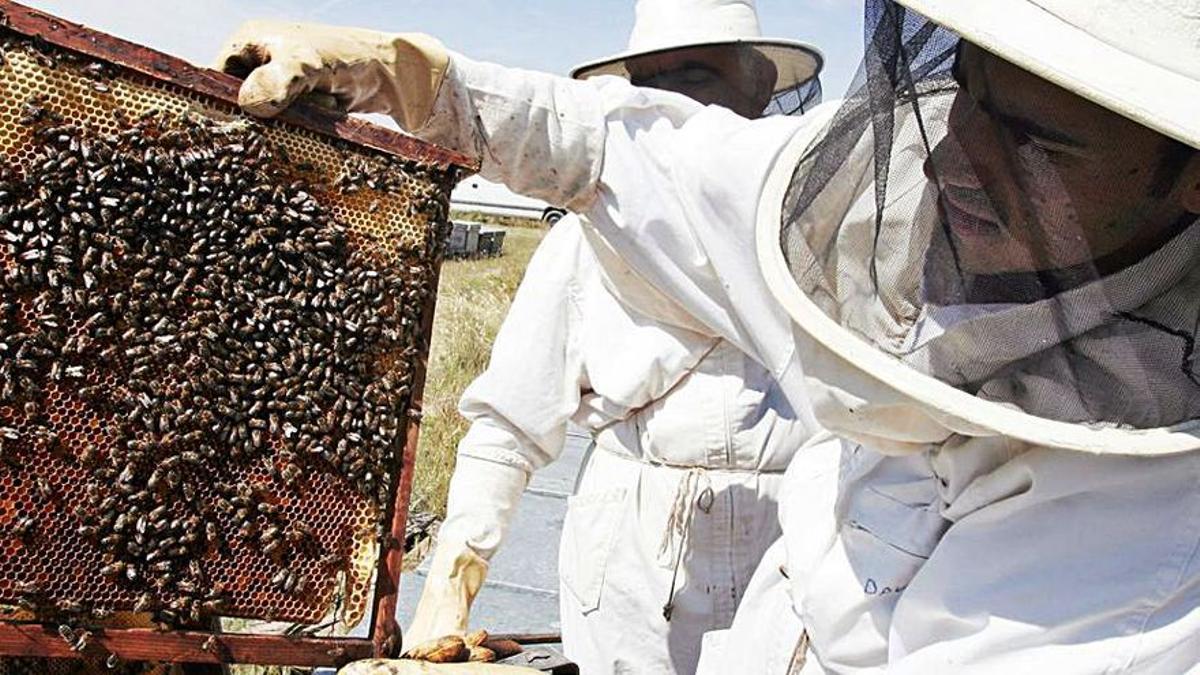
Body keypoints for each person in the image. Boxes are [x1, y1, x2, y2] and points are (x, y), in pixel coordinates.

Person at [217, 0, 1200, 670]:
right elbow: (630, 153)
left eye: (1042, 140)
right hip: (666, 569)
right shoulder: (851, 217)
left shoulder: (1139, 546)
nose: (954, 159)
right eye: (968, 95)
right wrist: (422, 81)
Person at [217, 2, 823, 673]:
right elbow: (510, 421)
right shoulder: (581, 244)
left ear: (758, 83)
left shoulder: (828, 235)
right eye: (655, 85)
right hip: (634, 556)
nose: (672, 106)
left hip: (792, 544)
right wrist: (456, 568)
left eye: (697, 76)